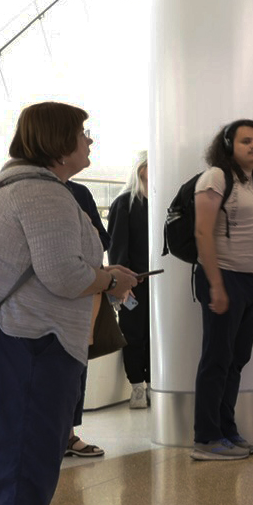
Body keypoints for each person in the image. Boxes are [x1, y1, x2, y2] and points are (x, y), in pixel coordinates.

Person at [0, 102, 139, 505]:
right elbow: (65, 276)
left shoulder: (7, 186)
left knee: (24, 456)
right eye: (81, 133)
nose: (88, 142)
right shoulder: (42, 191)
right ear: (57, 139)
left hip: (18, 339)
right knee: (24, 460)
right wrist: (112, 277)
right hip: (32, 341)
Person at [193, 120, 253, 460]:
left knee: (236, 360)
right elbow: (203, 233)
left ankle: (227, 430)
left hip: (248, 281)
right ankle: (206, 438)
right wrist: (216, 285)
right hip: (224, 277)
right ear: (229, 144)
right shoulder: (216, 177)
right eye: (246, 141)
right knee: (217, 359)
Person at [60, 173, 111, 459]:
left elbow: (102, 238)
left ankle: (67, 434)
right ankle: (54, 435)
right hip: (44, 298)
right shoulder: (27, 191)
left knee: (77, 363)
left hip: (81, 289)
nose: (88, 143)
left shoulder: (78, 192)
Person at [106, 152, 152, 409]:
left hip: (159, 287)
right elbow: (117, 247)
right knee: (134, 335)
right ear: (141, 169)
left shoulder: (161, 203)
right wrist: (122, 285)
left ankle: (155, 385)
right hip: (133, 287)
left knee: (157, 338)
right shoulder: (125, 203)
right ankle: (137, 387)